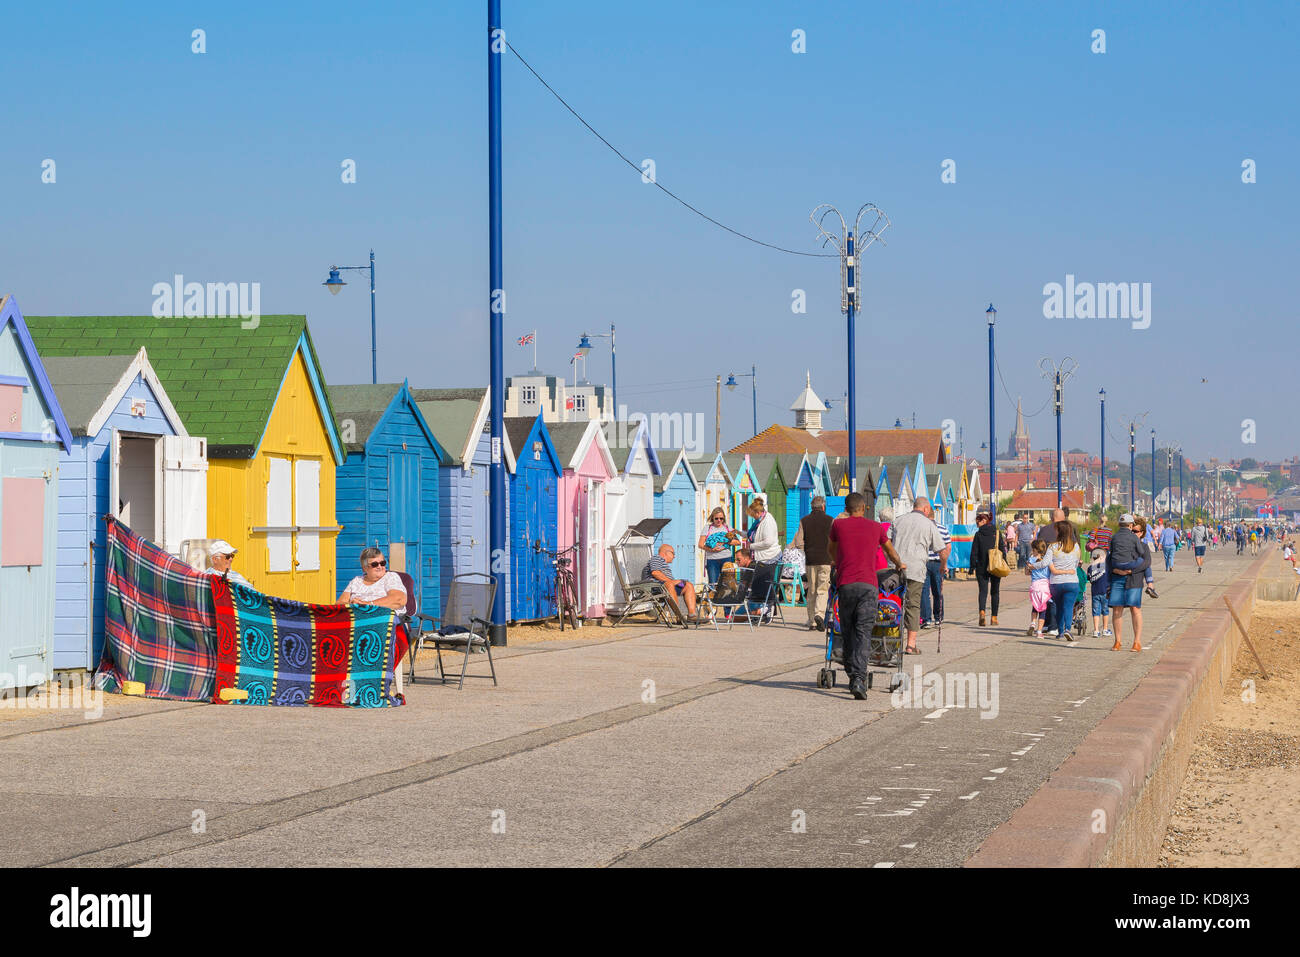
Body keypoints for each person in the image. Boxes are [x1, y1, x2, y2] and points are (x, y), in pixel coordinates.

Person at [827, 491, 903, 699]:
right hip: (868, 586)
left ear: (846, 508)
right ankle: (859, 679)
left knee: (848, 630)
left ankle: (853, 676)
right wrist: (899, 564)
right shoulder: (875, 527)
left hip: (846, 585)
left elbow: (830, 549)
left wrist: (838, 563)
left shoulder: (838, 526)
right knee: (864, 632)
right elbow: (890, 551)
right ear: (863, 508)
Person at [891, 497, 949, 653]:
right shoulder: (928, 525)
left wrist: (891, 561)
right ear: (925, 509)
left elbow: (887, 544)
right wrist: (943, 566)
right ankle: (910, 645)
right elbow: (942, 550)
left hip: (896, 570)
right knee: (913, 605)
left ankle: (891, 641)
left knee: (893, 604)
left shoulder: (898, 520)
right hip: (915, 570)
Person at [1108, 514, 1151, 652]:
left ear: (1142, 533)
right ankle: (1117, 641)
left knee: (1135, 608)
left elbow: (1146, 563)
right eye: (1132, 531)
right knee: (1117, 609)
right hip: (1117, 578)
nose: (1133, 533)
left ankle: (1137, 642)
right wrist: (1115, 570)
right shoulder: (1119, 540)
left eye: (1136, 531)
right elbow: (1110, 558)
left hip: (1134, 580)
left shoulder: (1144, 546)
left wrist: (1130, 572)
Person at [791, 496, 833, 631]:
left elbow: (798, 542)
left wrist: (806, 551)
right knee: (822, 588)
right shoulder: (830, 520)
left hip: (810, 560)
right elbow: (834, 540)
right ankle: (819, 614)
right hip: (826, 560)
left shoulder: (804, 521)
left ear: (811, 506)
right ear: (823, 507)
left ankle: (811, 621)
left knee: (812, 590)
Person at [741, 498, 782, 620]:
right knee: (757, 585)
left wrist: (751, 546)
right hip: (761, 557)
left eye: (753, 515)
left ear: (757, 513)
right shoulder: (760, 521)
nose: (753, 517)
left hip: (769, 557)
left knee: (764, 585)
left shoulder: (768, 521)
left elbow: (768, 542)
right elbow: (752, 534)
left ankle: (767, 610)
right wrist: (740, 533)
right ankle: (759, 610)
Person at [968, 509, 1007, 627]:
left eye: (978, 521)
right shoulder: (997, 533)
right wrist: (1003, 562)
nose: (977, 524)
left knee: (983, 591)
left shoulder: (978, 534)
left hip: (981, 567)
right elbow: (1002, 549)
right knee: (995, 592)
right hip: (995, 566)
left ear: (984, 520)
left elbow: (974, 552)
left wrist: (972, 567)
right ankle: (994, 618)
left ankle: (982, 613)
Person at [1045, 521, 1082, 642]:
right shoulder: (1076, 546)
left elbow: (1047, 563)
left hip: (1056, 583)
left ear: (1059, 532)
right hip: (1072, 582)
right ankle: (1067, 630)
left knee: (1059, 607)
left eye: (1056, 530)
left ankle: (1060, 632)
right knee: (1068, 606)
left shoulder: (1052, 547)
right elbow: (1076, 564)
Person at [339, 547, 407, 609]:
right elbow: (339, 603)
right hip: (358, 618)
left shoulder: (390, 577)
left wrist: (368, 605)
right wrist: (352, 605)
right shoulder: (356, 581)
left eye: (382, 563)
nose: (379, 566)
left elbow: (399, 599)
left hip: (384, 618)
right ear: (364, 568)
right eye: (374, 564)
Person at [643, 543, 698, 620]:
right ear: (666, 552)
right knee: (669, 584)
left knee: (688, 585)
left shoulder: (662, 562)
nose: (674, 556)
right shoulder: (657, 558)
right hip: (654, 587)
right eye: (673, 553)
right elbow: (655, 573)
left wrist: (677, 582)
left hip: (666, 587)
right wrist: (672, 582)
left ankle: (692, 615)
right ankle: (679, 615)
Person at [919, 510, 951, 629]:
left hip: (924, 563)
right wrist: (945, 563)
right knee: (938, 591)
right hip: (938, 563)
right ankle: (938, 618)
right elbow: (948, 547)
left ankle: (926, 619)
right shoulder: (942, 528)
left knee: (924, 592)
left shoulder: (922, 528)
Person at [698, 507, 735, 585]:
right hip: (712, 560)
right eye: (716, 518)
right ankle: (713, 597)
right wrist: (712, 550)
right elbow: (700, 544)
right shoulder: (707, 528)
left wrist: (724, 543)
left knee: (728, 584)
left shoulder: (727, 527)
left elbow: (737, 542)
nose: (719, 520)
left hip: (726, 558)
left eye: (721, 518)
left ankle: (727, 597)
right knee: (713, 583)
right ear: (712, 518)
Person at [1026, 539, 1052, 638]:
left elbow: (1027, 573)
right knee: (1043, 610)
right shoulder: (1046, 560)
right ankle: (1039, 631)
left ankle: (1032, 623)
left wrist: (1029, 567)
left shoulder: (1030, 560)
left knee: (1035, 606)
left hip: (1034, 586)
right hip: (1044, 587)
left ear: (1035, 549)